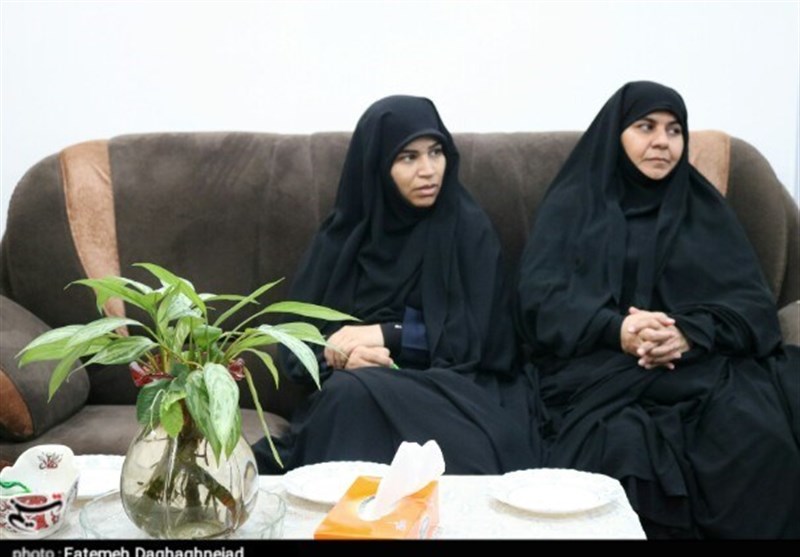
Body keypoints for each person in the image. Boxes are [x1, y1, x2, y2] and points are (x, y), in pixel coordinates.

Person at [517, 81, 800, 539]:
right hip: (598, 367)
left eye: (674, 130)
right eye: (645, 127)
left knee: (754, 432)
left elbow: (752, 304)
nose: (662, 142)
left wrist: (689, 333)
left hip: (702, 364)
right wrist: (618, 328)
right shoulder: (574, 205)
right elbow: (539, 301)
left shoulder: (703, 209)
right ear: (616, 135)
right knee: (621, 447)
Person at [253, 95, 540, 475]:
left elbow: (487, 341)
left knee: (349, 399)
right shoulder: (343, 238)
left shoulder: (467, 228)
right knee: (347, 394)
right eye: (408, 157)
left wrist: (389, 334)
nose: (428, 170)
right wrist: (338, 356)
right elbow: (294, 342)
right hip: (358, 384)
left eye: (436, 152)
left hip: (453, 388)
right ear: (376, 165)